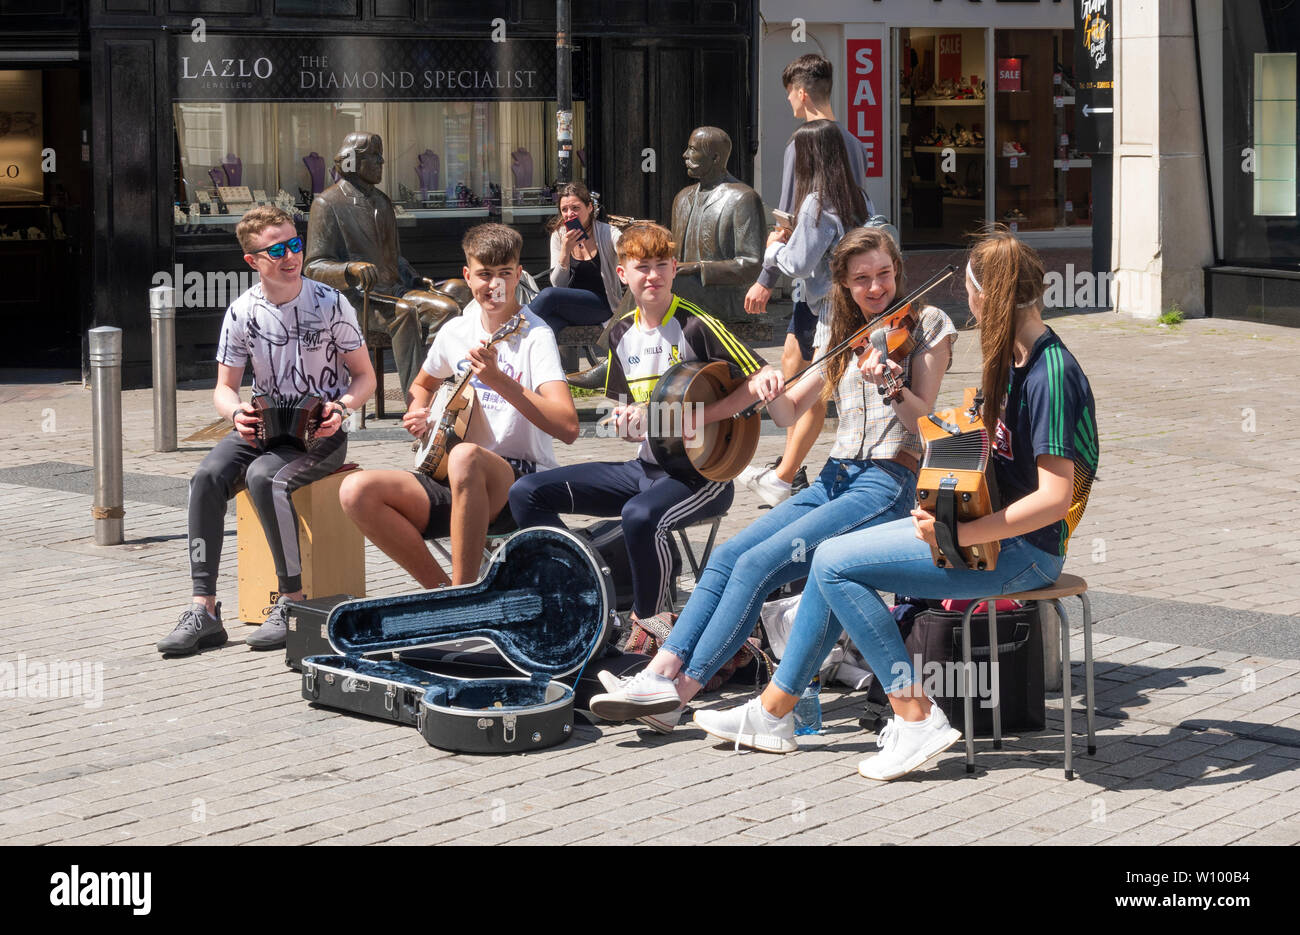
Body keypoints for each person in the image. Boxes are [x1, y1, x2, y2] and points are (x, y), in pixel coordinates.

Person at [694, 228, 1099, 782]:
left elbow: (1054, 499)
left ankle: (914, 714)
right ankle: (774, 715)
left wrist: (967, 530)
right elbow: (956, 442)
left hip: (1025, 552)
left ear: (991, 296)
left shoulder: (1052, 373)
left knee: (835, 563)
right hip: (982, 534)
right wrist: (899, 404)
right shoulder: (1014, 360)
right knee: (834, 560)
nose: (969, 301)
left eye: (973, 291)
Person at [588, 225, 957, 732]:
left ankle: (682, 691)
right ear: (845, 285)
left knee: (759, 564)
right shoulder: (841, 332)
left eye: (884, 275)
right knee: (726, 558)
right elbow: (786, 413)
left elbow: (926, 427)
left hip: (888, 479)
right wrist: (764, 383)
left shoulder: (929, 323)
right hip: (836, 477)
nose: (875, 288)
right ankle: (659, 672)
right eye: (862, 279)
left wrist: (892, 383)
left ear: (898, 272)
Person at [509, 222, 779, 641]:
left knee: (639, 515)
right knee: (526, 492)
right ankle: (585, 593)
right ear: (623, 275)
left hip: (701, 476)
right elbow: (625, 415)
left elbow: (757, 377)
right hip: (647, 469)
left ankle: (651, 628)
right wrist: (627, 421)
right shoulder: (620, 333)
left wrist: (703, 416)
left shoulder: (695, 325)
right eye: (642, 267)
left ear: (674, 269)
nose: (651, 275)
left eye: (660, 266)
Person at [156, 206, 376, 656]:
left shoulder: (331, 303)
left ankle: (292, 602)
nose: (290, 255)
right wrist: (236, 412)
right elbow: (224, 387)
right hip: (265, 426)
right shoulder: (242, 311)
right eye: (276, 250)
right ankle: (204, 609)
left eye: (295, 244)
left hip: (321, 431)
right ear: (252, 260)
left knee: (264, 478)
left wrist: (343, 408)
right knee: (205, 477)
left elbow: (365, 377)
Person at [338, 224, 578, 588]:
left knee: (467, 456)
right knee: (356, 491)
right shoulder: (456, 331)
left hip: (517, 479)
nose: (494, 286)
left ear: (518, 275)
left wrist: (501, 381)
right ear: (467, 275)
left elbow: (568, 427)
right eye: (484, 275)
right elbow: (423, 383)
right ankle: (444, 597)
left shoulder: (535, 335)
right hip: (451, 476)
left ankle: (464, 593)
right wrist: (420, 413)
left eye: (504, 274)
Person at [742, 53, 878, 507]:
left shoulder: (804, 143)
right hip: (830, 284)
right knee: (798, 366)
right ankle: (788, 470)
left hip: (820, 287)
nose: (790, 103)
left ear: (801, 93)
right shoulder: (853, 145)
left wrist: (766, 270)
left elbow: (785, 222)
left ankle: (788, 474)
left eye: (789, 95)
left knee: (814, 377)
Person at [304, 131, 461, 398]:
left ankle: (441, 386)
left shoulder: (383, 202)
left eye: (380, 155)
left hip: (394, 289)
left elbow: (393, 256)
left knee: (449, 303)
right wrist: (349, 270)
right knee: (403, 313)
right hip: (355, 298)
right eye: (374, 156)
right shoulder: (327, 203)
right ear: (352, 161)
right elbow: (313, 267)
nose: (382, 161)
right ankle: (417, 398)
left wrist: (412, 276)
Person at [668, 127, 767, 323]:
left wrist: (699, 268)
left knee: (657, 283)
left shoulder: (743, 198)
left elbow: (752, 264)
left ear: (715, 158)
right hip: (684, 290)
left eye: (693, 149)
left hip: (726, 297)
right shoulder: (682, 198)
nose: (685, 155)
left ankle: (617, 346)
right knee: (647, 277)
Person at [528, 181, 624, 336]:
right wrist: (565, 251)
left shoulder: (608, 233)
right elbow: (558, 283)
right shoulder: (559, 236)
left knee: (548, 295)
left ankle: (513, 329)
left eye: (575, 208)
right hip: (569, 306)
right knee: (545, 328)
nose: (569, 214)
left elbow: (626, 247)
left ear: (589, 207)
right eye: (564, 209)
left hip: (602, 305)